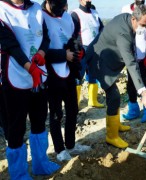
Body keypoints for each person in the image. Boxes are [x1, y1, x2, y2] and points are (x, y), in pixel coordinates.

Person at [0, 0, 60, 178]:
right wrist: (29, 68)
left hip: (38, 73)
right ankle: (19, 174)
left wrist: (41, 53)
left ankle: (41, 164)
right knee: (16, 125)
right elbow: (10, 45)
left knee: (39, 118)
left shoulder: (36, 9)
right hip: (14, 75)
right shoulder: (2, 11)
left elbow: (46, 37)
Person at [87, 5, 146, 148]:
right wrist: (143, 91)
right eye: (142, 25)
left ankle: (116, 125)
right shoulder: (123, 34)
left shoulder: (128, 19)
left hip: (107, 58)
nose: (144, 28)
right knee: (114, 96)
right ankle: (111, 136)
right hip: (99, 60)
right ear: (134, 18)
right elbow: (131, 63)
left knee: (114, 96)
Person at [42, 0, 91, 162]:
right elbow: (39, 50)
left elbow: (74, 37)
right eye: (60, 6)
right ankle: (60, 149)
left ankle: (70, 144)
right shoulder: (40, 17)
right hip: (52, 73)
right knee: (56, 113)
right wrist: (63, 55)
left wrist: (79, 51)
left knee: (73, 109)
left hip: (69, 71)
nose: (63, 9)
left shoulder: (67, 17)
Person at [121, 0, 146, 122]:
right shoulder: (126, 9)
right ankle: (133, 109)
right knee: (131, 83)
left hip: (144, 55)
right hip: (130, 55)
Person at [71, 0, 105, 108]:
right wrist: (77, 48)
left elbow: (102, 29)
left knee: (93, 75)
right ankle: (75, 102)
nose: (89, 0)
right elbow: (72, 33)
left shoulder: (95, 13)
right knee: (78, 76)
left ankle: (93, 100)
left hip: (95, 48)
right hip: (82, 49)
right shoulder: (75, 13)